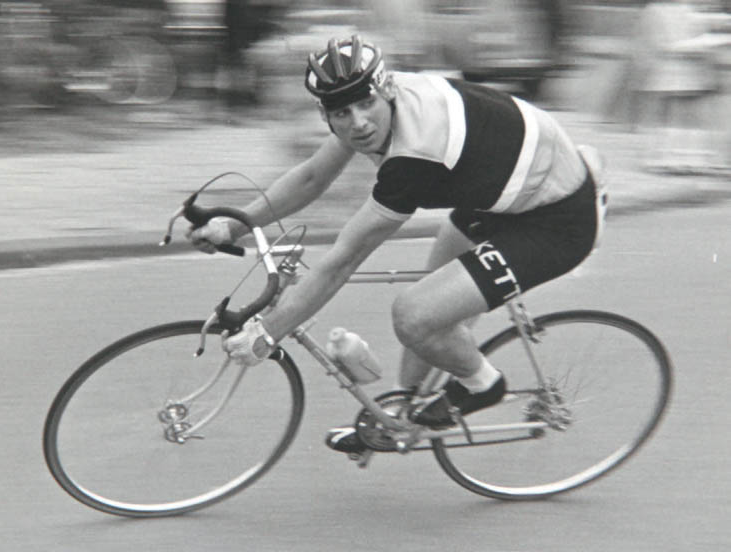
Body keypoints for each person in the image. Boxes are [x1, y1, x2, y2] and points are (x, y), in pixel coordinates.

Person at [188, 35, 606, 454]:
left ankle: (483, 385)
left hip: (557, 221)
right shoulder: (378, 98)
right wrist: (233, 226)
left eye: (365, 105)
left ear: (384, 89)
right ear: (326, 114)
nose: (358, 123)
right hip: (501, 197)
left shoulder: (412, 158)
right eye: (342, 113)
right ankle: (397, 420)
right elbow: (313, 177)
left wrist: (268, 333)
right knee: (433, 311)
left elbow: (341, 261)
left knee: (415, 316)